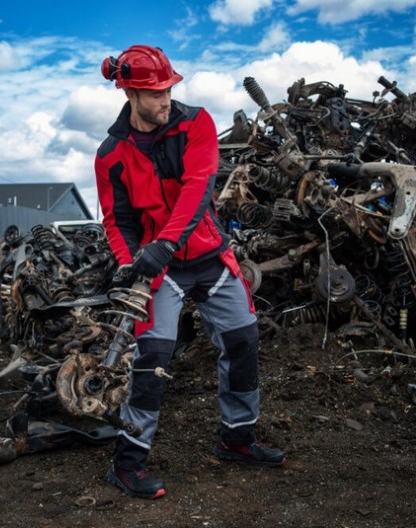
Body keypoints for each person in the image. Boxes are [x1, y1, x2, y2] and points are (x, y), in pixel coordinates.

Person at [94, 44, 286, 500]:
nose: (166, 99)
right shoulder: (110, 155)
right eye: (155, 93)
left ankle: (237, 438)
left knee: (242, 341)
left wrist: (163, 243)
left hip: (210, 258)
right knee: (152, 359)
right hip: (160, 272)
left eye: (169, 89)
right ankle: (128, 463)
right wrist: (128, 263)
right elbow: (117, 220)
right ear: (130, 94)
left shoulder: (195, 123)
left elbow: (198, 190)